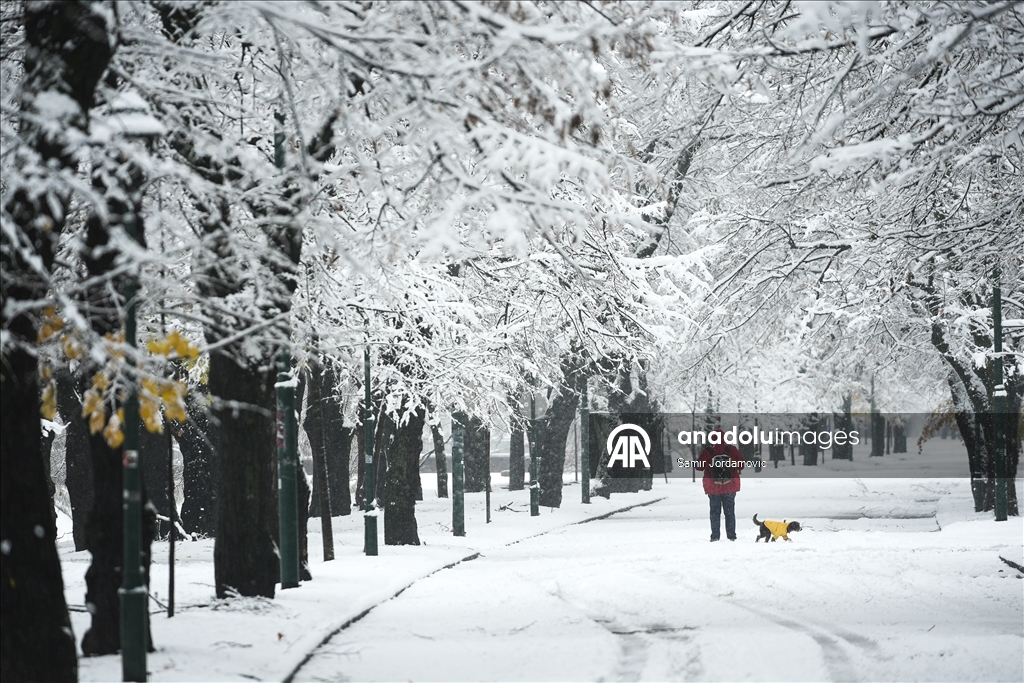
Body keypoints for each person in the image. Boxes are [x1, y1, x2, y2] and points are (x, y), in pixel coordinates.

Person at [696, 428, 745, 541]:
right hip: (729, 486)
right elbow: (741, 465)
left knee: (715, 512)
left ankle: (715, 536)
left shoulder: (708, 451)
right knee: (730, 513)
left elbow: (699, 467)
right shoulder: (731, 449)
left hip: (713, 487)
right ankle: (731, 536)